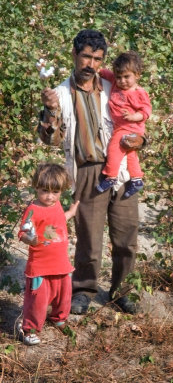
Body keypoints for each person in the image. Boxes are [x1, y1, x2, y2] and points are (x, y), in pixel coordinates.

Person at [38, 29, 146, 315]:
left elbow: (139, 119)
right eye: (86, 56)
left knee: (127, 237)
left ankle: (122, 292)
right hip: (87, 171)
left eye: (98, 59)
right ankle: (84, 291)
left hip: (121, 168)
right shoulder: (60, 93)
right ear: (74, 55)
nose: (91, 64)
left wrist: (141, 140)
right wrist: (49, 112)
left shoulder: (115, 86)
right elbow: (50, 139)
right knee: (89, 238)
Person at [17, 163, 79, 345]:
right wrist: (31, 239)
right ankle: (29, 329)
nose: (50, 197)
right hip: (40, 267)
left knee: (63, 295)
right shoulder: (33, 210)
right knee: (37, 301)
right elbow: (23, 233)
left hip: (60, 263)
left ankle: (58, 317)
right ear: (36, 186)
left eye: (55, 192)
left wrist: (71, 213)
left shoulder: (56, 205)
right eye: (45, 191)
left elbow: (56, 223)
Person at [96, 51, 151, 198]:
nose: (122, 81)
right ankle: (137, 179)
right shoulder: (115, 83)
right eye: (119, 77)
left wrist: (134, 117)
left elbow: (146, 111)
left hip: (130, 127)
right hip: (122, 126)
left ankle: (111, 177)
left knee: (114, 147)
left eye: (127, 77)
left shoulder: (139, 93)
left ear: (137, 75)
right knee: (130, 153)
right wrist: (97, 69)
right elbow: (106, 73)